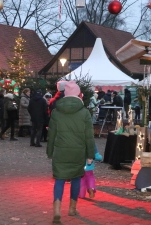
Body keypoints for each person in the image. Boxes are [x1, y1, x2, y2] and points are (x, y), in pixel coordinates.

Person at [46, 81, 95, 224]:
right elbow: (89, 137)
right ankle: (72, 209)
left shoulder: (56, 112)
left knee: (59, 180)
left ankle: (56, 211)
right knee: (75, 179)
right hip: (78, 152)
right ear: (78, 94)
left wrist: (50, 152)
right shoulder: (85, 112)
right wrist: (90, 155)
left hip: (60, 151)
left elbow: (51, 135)